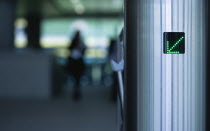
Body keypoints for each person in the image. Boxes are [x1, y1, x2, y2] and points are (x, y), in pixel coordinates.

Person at [66, 31, 86, 100]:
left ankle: (77, 94)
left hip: (77, 63)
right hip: (75, 63)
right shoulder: (74, 42)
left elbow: (84, 51)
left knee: (77, 80)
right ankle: (76, 94)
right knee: (76, 80)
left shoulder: (80, 42)